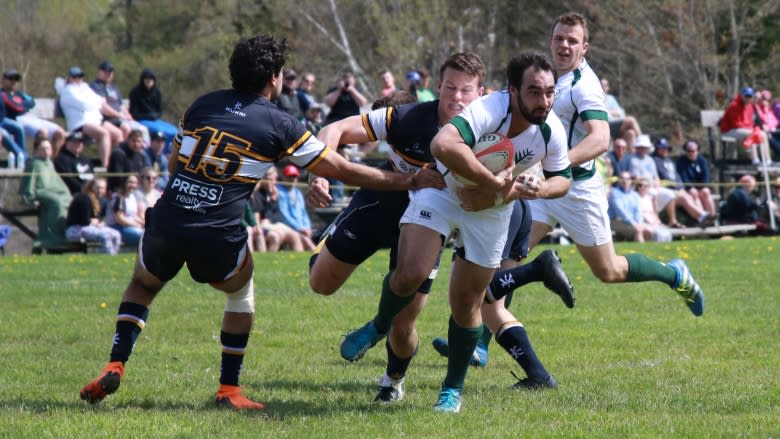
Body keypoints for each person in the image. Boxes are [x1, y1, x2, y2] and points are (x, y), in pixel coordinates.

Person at [79, 34, 444, 411]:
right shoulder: (278, 122)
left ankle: (116, 363)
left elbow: (174, 166)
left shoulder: (202, 104)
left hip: (169, 218)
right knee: (240, 293)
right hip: (217, 232)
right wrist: (409, 180)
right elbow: (343, 169)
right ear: (273, 78)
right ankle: (228, 389)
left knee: (142, 284)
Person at [479, 13, 705, 329]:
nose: (564, 45)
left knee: (609, 271)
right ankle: (480, 342)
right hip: (541, 186)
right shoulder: (545, 76)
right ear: (550, 41)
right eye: (559, 38)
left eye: (572, 41)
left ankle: (674, 273)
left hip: (577, 190)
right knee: (508, 260)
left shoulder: (584, 85)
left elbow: (600, 137)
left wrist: (556, 166)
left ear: (584, 47)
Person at [18, 138, 72, 247]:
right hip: (41, 193)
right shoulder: (33, 164)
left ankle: (66, 234)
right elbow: (29, 184)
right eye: (43, 148)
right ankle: (53, 237)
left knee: (68, 198)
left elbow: (57, 183)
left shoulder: (50, 164)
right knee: (56, 202)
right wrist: (29, 197)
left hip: (55, 192)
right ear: (37, 150)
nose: (46, 151)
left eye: (48, 148)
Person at [652, 137, 714, 226]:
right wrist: (679, 188)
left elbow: (677, 176)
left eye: (666, 148)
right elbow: (663, 177)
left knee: (702, 193)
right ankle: (703, 217)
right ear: (657, 149)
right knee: (688, 196)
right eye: (661, 148)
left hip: (678, 189)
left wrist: (681, 187)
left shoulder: (668, 160)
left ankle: (710, 219)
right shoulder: (655, 160)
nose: (664, 150)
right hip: (666, 190)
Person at [2, 68, 66, 153]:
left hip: (31, 117)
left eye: (16, 79)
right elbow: (17, 108)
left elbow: (32, 102)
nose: (14, 81)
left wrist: (22, 105)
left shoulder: (19, 94)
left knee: (60, 133)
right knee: (42, 132)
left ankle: (51, 163)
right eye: (10, 79)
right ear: (3, 80)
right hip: (17, 119)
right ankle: (36, 161)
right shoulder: (2, 94)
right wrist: (23, 105)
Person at [629, 134, 683, 228]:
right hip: (639, 188)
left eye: (645, 147)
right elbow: (635, 178)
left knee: (670, 194)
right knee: (652, 194)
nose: (643, 149)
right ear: (637, 148)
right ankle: (656, 220)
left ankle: (672, 221)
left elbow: (656, 177)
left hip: (652, 187)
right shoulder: (632, 159)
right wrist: (647, 185)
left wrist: (657, 185)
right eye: (641, 147)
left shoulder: (650, 160)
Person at [250, 166, 304, 251]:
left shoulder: (275, 193)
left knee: (295, 235)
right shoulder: (258, 194)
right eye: (266, 175)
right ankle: (268, 262)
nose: (269, 178)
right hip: (263, 226)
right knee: (275, 237)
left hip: (274, 225)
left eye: (271, 176)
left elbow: (278, 216)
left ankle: (302, 263)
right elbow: (257, 218)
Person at [65, 177, 122, 255]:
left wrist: (101, 223)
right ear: (92, 187)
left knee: (116, 234)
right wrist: (94, 222)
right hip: (75, 229)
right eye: (97, 187)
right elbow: (85, 221)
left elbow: (101, 219)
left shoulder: (102, 201)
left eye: (102, 188)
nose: (100, 190)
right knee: (105, 235)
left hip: (91, 227)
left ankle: (114, 255)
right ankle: (109, 256)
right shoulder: (84, 198)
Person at [719, 86, 773, 167]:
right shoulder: (734, 106)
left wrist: (754, 129)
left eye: (750, 96)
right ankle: (755, 160)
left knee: (763, 134)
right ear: (742, 96)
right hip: (729, 130)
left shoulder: (750, 106)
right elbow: (736, 124)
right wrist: (752, 130)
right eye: (746, 96)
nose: (748, 98)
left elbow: (750, 122)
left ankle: (767, 160)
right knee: (752, 133)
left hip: (743, 129)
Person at [128, 68, 178, 154]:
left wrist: (154, 116)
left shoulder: (157, 92)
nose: (149, 82)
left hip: (155, 120)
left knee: (174, 131)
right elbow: (134, 112)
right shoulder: (135, 92)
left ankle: (172, 156)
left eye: (151, 80)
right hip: (141, 119)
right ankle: (162, 154)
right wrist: (147, 116)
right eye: (146, 80)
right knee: (160, 131)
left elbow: (159, 110)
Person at [608, 171, 658, 242]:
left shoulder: (634, 194)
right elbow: (620, 212)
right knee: (638, 230)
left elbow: (638, 211)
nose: (625, 181)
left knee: (648, 231)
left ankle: (641, 248)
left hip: (630, 221)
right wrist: (634, 223)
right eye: (623, 179)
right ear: (619, 180)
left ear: (631, 181)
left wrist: (639, 223)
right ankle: (639, 249)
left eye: (628, 179)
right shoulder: (614, 193)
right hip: (615, 221)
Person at [89, 61, 134, 141]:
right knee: (118, 134)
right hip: (103, 119)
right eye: (106, 72)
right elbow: (103, 107)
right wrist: (119, 115)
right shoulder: (96, 86)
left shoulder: (114, 88)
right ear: (100, 72)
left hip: (117, 119)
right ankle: (117, 153)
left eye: (110, 72)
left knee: (130, 129)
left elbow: (121, 105)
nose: (109, 74)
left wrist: (128, 116)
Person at [276, 164, 315, 250]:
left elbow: (303, 212)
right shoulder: (279, 192)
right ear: (283, 177)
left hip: (302, 229)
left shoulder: (297, 192)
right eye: (289, 176)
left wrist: (307, 227)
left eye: (294, 176)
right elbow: (283, 214)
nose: (292, 179)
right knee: (306, 240)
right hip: (286, 226)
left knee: (307, 239)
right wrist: (300, 228)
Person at [600, 77, 642, 151]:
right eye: (602, 85)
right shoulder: (596, 97)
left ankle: (632, 155)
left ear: (608, 87)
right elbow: (603, 113)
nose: (604, 87)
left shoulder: (611, 98)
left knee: (631, 133)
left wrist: (612, 112)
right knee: (631, 120)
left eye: (606, 85)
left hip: (617, 124)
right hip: (606, 124)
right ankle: (642, 141)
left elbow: (621, 113)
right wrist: (611, 112)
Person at [105, 174, 145, 246]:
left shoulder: (132, 197)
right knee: (142, 235)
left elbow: (132, 216)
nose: (132, 185)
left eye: (135, 183)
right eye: (130, 182)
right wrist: (136, 225)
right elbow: (119, 218)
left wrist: (143, 223)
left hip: (129, 226)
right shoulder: (118, 197)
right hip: (117, 227)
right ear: (124, 183)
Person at [53, 130, 95, 195]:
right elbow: (68, 179)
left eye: (80, 142)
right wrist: (83, 188)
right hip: (72, 193)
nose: (78, 144)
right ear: (66, 143)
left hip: (90, 192)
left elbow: (92, 176)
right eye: (75, 142)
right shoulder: (61, 159)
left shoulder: (86, 159)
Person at [107, 129, 148, 193]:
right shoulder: (118, 153)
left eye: (138, 141)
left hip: (135, 189)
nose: (136, 144)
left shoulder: (141, 156)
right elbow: (118, 177)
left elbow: (142, 174)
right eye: (134, 141)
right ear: (128, 140)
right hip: (119, 190)